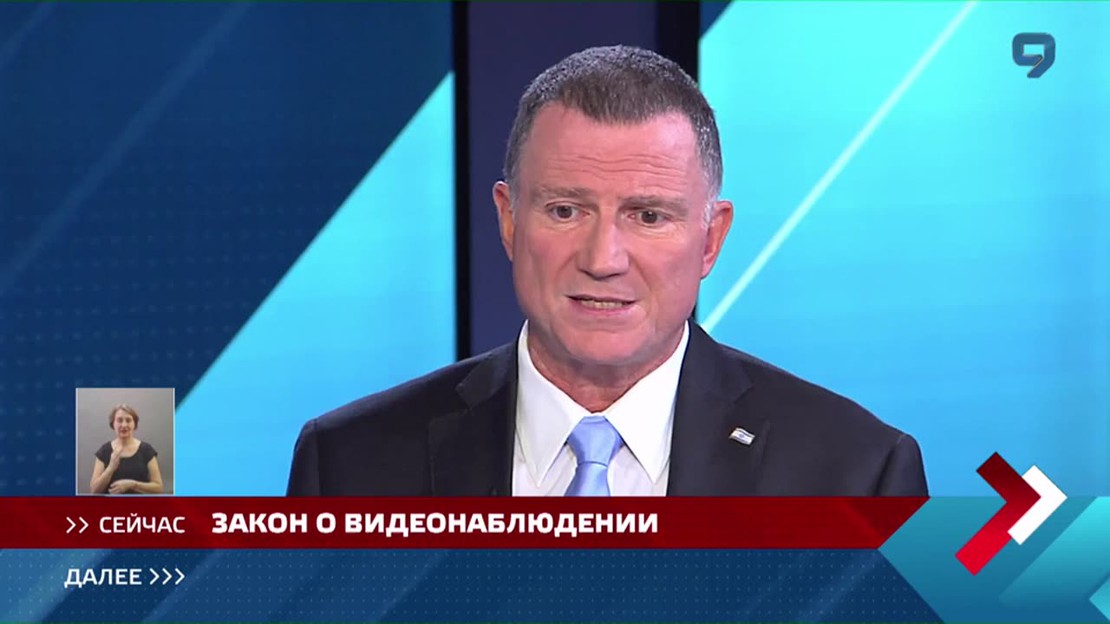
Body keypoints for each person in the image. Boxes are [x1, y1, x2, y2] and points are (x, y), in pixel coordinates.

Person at [287, 45, 928, 497]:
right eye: (565, 210)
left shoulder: (856, 475)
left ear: (710, 239)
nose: (603, 260)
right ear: (509, 220)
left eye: (648, 216)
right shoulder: (348, 466)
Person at [90, 404, 164, 494]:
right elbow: (94, 491)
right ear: (113, 424)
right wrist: (110, 468)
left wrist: (133, 485)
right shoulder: (104, 451)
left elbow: (159, 488)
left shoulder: (146, 450)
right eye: (119, 420)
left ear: (134, 424)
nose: (124, 425)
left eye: (128, 420)